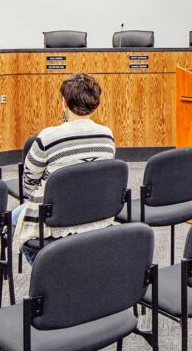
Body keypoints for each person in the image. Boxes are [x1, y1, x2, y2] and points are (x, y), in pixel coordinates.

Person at [11, 73, 116, 263]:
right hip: (96, 210)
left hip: (55, 216)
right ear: (95, 102)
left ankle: (51, 272)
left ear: (64, 103)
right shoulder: (107, 135)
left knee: (13, 219)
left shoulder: (47, 137)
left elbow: (28, 186)